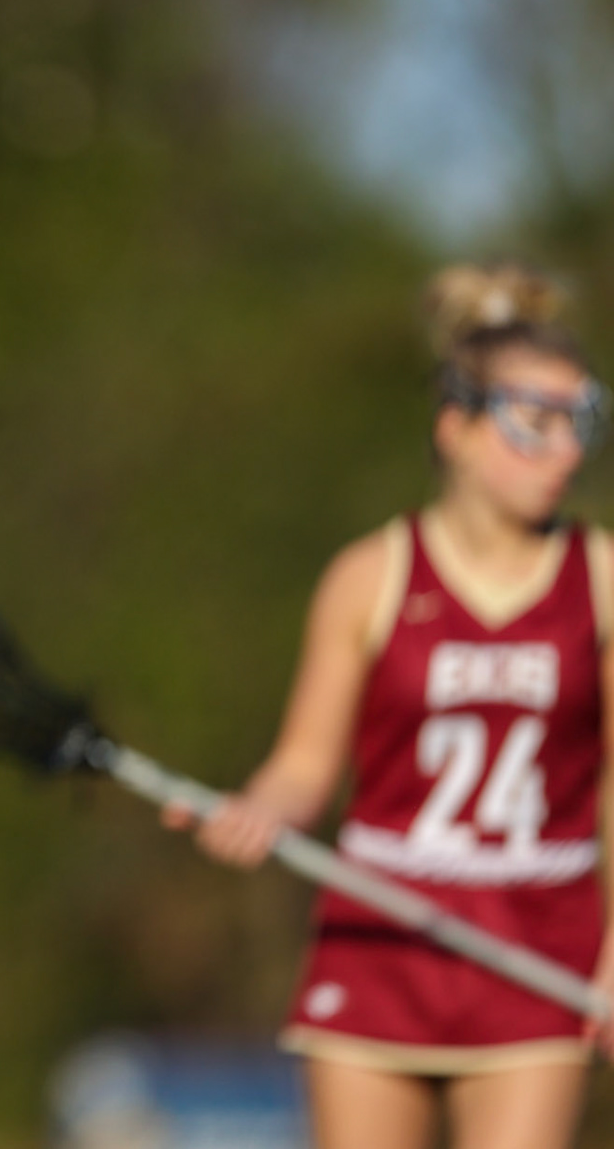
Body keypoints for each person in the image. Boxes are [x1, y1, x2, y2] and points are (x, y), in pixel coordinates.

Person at [165, 263, 614, 1149]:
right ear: (457, 426)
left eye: (581, 423)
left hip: (538, 939)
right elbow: (305, 765)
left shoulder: (600, 580)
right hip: (381, 929)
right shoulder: (369, 577)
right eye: (535, 422)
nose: (563, 449)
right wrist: (259, 809)